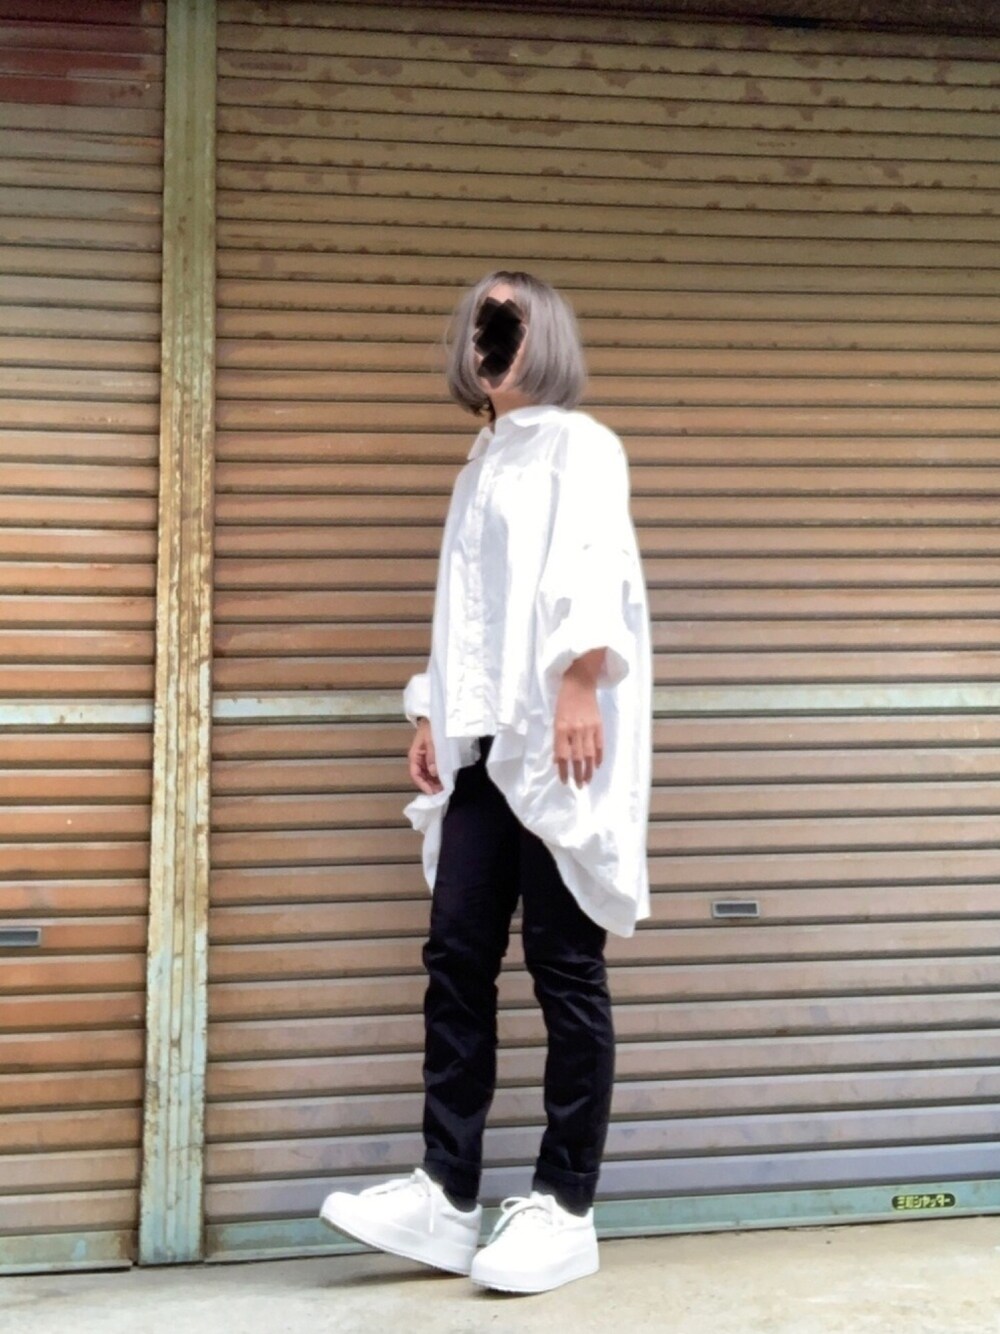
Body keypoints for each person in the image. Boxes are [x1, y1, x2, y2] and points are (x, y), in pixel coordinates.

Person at [320, 270, 652, 1294]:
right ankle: (446, 1191)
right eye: (478, 324)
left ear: (541, 337)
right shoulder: (483, 459)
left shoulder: (580, 444)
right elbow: (466, 611)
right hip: (483, 751)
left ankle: (565, 1202)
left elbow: (592, 569)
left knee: (564, 966)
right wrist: (432, 708)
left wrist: (581, 681)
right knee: (455, 956)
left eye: (504, 323)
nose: (486, 340)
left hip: (557, 744)